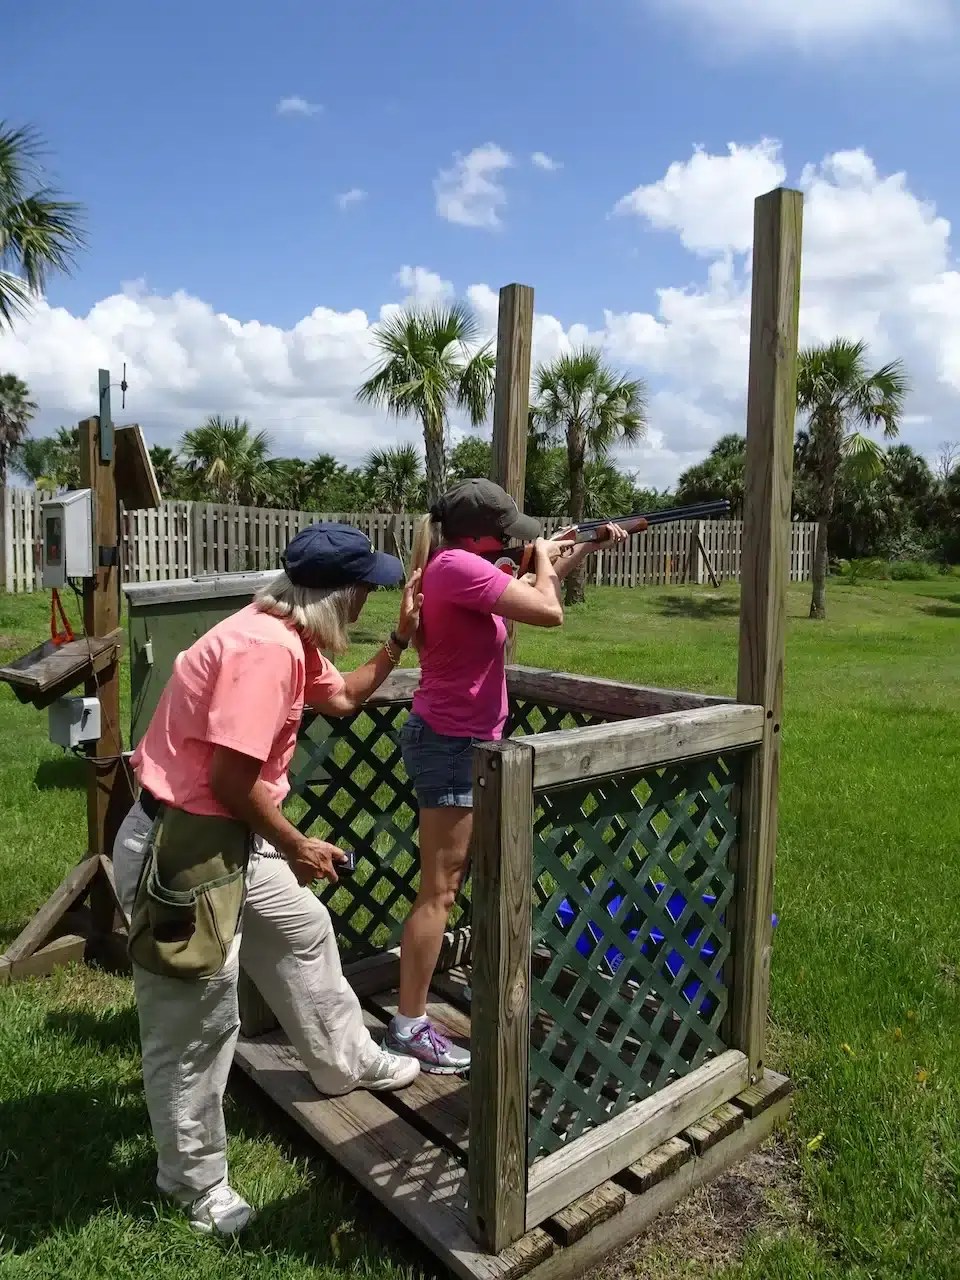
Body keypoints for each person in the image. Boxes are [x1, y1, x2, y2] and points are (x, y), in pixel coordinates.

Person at [112, 522, 424, 1237]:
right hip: (184, 851)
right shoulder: (263, 652)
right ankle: (192, 1183)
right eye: (366, 594)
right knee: (195, 1022)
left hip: (228, 837)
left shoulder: (287, 633)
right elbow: (229, 780)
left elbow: (342, 699)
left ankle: (343, 1062)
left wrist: (400, 640)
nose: (367, 605)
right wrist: (298, 845)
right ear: (338, 595)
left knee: (302, 929)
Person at [385, 479, 625, 1073]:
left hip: (465, 741)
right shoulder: (457, 568)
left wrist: (583, 549)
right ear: (481, 534)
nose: (516, 538)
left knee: (456, 883)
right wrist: (544, 559)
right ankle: (410, 1024)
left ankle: (431, 1005)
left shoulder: (455, 566)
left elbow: (529, 594)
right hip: (450, 743)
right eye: (506, 531)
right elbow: (549, 611)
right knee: (438, 891)